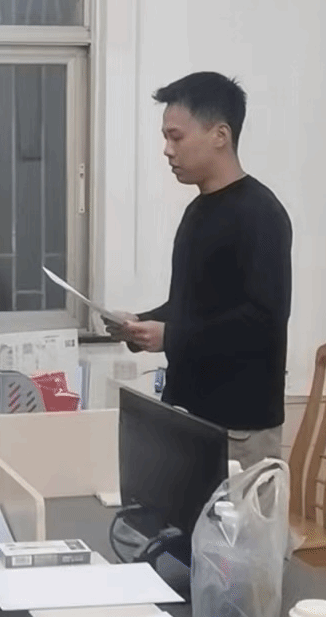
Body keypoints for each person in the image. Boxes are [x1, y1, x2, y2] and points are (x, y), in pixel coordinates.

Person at [112, 72, 292, 469]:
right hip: (189, 416)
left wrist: (171, 336)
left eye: (176, 137)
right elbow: (193, 305)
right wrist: (139, 324)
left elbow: (262, 322)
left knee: (234, 517)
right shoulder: (198, 212)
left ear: (220, 135)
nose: (167, 150)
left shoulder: (261, 214)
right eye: (165, 138)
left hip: (238, 430)